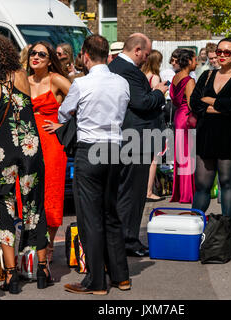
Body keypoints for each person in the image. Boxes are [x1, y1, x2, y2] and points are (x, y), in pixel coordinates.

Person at [0, 31, 51, 294]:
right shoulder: (21, 76)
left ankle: (11, 274)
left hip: (2, 155)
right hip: (31, 150)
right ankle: (42, 270)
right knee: (34, 208)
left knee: (2, 212)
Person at [59, 34, 131, 295]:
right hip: (114, 147)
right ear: (108, 56)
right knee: (110, 212)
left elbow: (63, 113)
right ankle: (121, 276)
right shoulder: (122, 82)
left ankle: (96, 281)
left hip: (90, 148)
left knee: (90, 218)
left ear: (86, 56)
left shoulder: (82, 83)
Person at [109, 33, 168, 257]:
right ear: (136, 50)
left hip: (126, 136)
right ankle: (128, 240)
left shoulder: (116, 68)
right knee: (132, 194)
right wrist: (159, 93)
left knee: (124, 191)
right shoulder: (128, 71)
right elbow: (141, 102)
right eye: (146, 53)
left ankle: (123, 238)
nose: (147, 57)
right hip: (136, 138)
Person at [190, 37, 231, 219]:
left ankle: (224, 227)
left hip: (227, 135)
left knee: (227, 181)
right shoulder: (206, 76)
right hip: (206, 133)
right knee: (202, 184)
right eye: (219, 51)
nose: (221, 55)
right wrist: (218, 107)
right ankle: (194, 226)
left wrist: (209, 101)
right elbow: (194, 103)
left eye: (226, 52)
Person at [27, 40, 71, 263]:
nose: (35, 57)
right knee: (29, 194)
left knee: (51, 194)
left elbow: (82, 102)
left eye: (41, 55)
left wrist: (63, 126)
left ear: (50, 59)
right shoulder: (23, 81)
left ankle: (49, 244)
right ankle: (32, 242)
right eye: (33, 53)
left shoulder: (56, 80)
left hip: (52, 145)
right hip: (27, 145)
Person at [170, 49, 197, 203]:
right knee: (187, 156)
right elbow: (192, 104)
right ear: (188, 61)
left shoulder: (175, 78)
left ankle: (180, 192)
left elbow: (174, 99)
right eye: (194, 60)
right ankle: (187, 194)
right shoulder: (188, 80)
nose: (197, 63)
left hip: (178, 116)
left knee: (180, 156)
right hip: (187, 118)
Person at [141, 49, 164, 202]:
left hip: (142, 121)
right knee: (153, 159)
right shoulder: (154, 77)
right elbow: (156, 99)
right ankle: (148, 191)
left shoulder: (141, 75)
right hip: (153, 120)